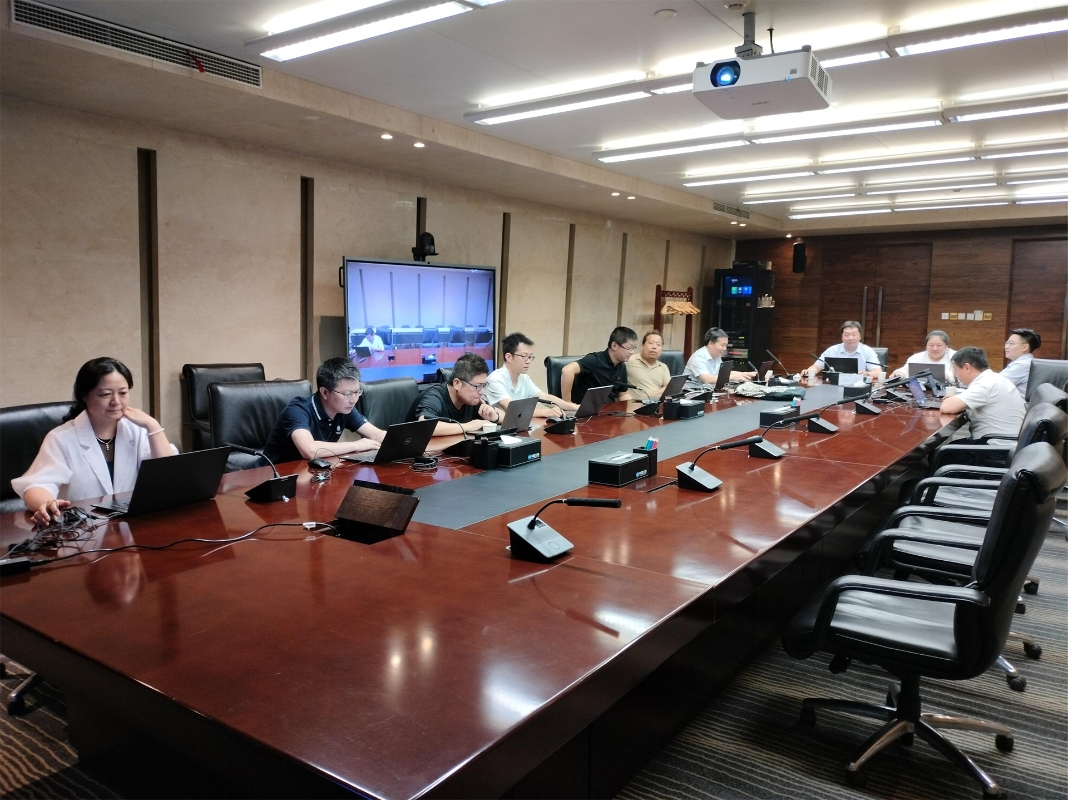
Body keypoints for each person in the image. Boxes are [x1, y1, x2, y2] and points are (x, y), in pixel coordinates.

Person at [12, 357, 174, 527]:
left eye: (123, 393)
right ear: (84, 396)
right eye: (105, 394)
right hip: (82, 530)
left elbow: (169, 478)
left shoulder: (137, 430)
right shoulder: (61, 438)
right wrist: (46, 504)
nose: (116, 402)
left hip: (132, 526)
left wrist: (153, 426)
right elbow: (37, 485)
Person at [262, 358, 385, 464]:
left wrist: (394, 441)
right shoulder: (298, 410)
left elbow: (376, 435)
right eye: (347, 394)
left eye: (357, 392)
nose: (353, 400)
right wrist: (356, 445)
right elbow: (309, 450)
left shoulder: (344, 409)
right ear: (325, 392)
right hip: (272, 475)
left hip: (310, 472)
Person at [483, 332, 577, 419]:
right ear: (509, 357)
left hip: (519, 425)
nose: (528, 361)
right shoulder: (496, 379)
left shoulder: (524, 378)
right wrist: (546, 412)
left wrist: (575, 407)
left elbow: (544, 397)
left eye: (530, 357)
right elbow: (513, 409)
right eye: (524, 356)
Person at [939, 346, 1025, 441]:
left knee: (942, 450)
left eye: (956, 370)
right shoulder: (993, 378)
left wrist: (953, 400)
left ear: (967, 367)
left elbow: (946, 407)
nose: (956, 375)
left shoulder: (985, 383)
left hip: (995, 446)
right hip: (1005, 442)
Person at [407, 352, 501, 436]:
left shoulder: (472, 399)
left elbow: (506, 417)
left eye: (484, 385)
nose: (482, 392)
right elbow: (425, 425)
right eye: (477, 386)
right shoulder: (434, 397)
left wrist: (495, 417)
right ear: (457, 383)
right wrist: (469, 426)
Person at [560, 327, 636, 404]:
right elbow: (567, 371)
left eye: (634, 348)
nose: (631, 352)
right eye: (628, 348)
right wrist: (567, 402)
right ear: (614, 346)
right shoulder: (594, 360)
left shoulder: (622, 367)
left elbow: (622, 393)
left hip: (610, 409)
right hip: (588, 409)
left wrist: (633, 406)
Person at [807, 320, 881, 379]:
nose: (850, 338)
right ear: (842, 337)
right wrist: (808, 372)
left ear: (860, 336)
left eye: (854, 334)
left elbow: (878, 372)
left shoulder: (868, 351)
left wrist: (867, 374)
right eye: (847, 335)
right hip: (834, 387)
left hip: (859, 387)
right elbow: (816, 367)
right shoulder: (832, 350)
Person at [684, 327, 756, 386]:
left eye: (726, 345)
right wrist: (734, 377)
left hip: (708, 391)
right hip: (691, 393)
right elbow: (707, 379)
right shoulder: (698, 357)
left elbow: (722, 374)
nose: (725, 349)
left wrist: (743, 374)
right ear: (710, 343)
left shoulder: (717, 355)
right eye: (722, 345)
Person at [891, 330, 956, 382]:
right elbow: (905, 370)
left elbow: (959, 376)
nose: (934, 348)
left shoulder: (956, 357)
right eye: (931, 345)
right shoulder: (916, 358)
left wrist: (946, 376)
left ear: (946, 346)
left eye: (939, 345)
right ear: (926, 346)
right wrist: (899, 374)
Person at [626, 330, 672, 399]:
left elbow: (669, 388)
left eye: (658, 344)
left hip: (657, 403)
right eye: (651, 343)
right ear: (642, 346)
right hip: (634, 404)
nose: (654, 347)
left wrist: (647, 396)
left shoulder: (663, 367)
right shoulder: (628, 361)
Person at [1000, 328, 1040, 397]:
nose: (1006, 347)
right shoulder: (1022, 362)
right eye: (1006, 343)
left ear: (1025, 347)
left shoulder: (1023, 365)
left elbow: (995, 384)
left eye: (1011, 343)